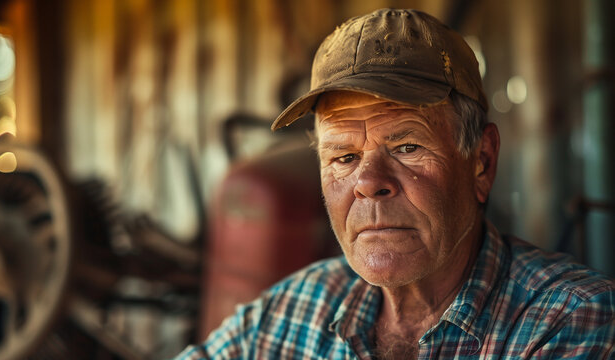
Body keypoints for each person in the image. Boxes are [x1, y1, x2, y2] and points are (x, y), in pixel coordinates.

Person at [176, 8, 615, 359]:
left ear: (481, 162)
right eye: (343, 157)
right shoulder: (293, 309)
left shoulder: (573, 320)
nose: (367, 183)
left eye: (406, 146)